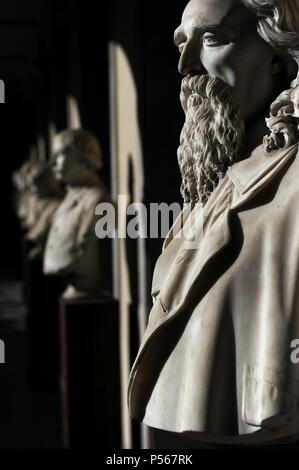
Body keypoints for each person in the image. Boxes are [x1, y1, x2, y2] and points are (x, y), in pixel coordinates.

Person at [129, 0, 299, 446]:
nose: (186, 66)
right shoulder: (210, 181)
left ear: (278, 58)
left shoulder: (294, 180)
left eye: (212, 40)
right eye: (181, 45)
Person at [44, 129, 111, 299]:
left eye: (60, 154)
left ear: (82, 156)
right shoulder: (68, 198)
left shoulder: (97, 201)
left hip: (88, 288)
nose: (53, 163)